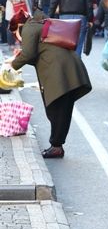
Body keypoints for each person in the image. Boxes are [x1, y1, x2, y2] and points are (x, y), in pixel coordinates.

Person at [9, 11, 91, 159]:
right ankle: (57, 145)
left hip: (59, 72)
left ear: (19, 26)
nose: (17, 38)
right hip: (67, 69)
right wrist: (20, 55)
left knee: (56, 109)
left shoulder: (28, 28)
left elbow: (29, 54)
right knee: (62, 109)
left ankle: (57, 146)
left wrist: (11, 66)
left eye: (15, 34)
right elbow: (39, 50)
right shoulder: (38, 23)